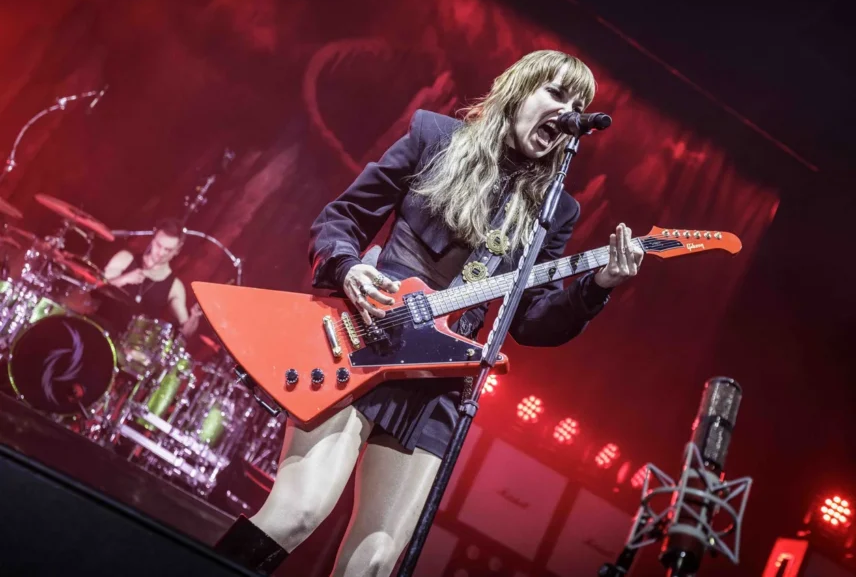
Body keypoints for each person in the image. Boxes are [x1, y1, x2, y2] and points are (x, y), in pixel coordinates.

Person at [213, 50, 645, 575]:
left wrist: (596, 287)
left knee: (373, 563)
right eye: (556, 93)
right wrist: (348, 268)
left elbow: (528, 321)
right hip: (367, 338)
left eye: (579, 104)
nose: (568, 112)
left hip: (441, 378)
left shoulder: (555, 210)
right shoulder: (434, 138)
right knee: (298, 511)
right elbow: (343, 218)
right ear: (518, 90)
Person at [102, 218, 202, 337]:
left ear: (177, 250)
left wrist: (194, 317)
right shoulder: (126, 258)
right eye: (159, 245)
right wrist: (124, 279)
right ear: (153, 239)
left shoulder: (174, 286)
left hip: (130, 344)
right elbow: (96, 286)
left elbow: (185, 331)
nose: (161, 253)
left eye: (168, 250)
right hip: (102, 324)